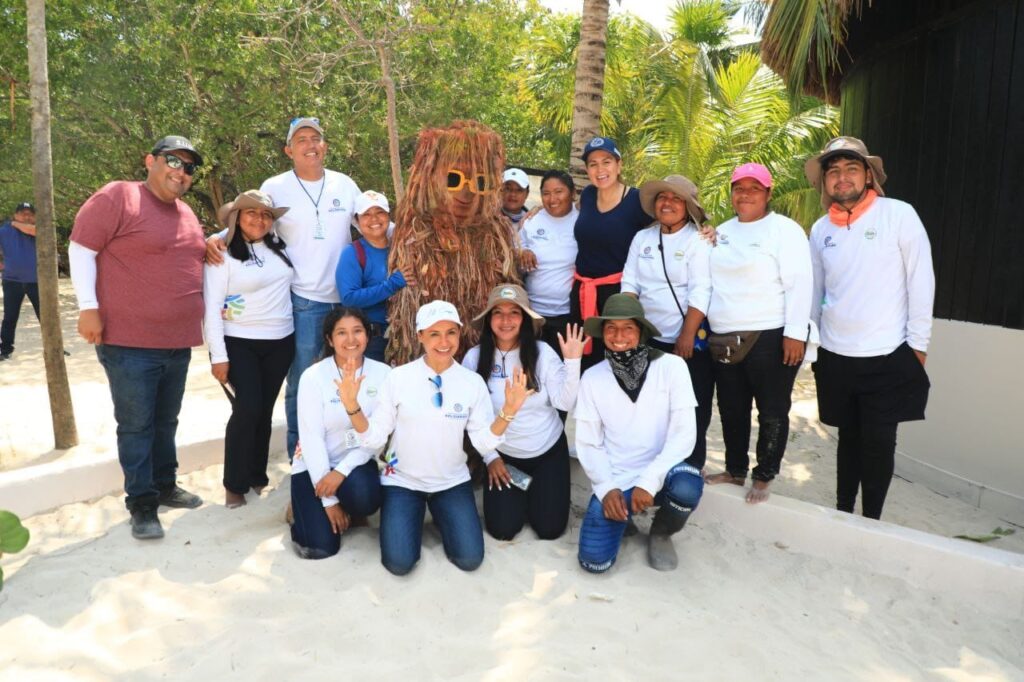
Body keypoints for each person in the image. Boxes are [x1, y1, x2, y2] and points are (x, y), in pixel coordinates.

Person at [69, 135, 206, 540]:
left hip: (177, 342)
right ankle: (142, 504)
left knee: (165, 422)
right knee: (136, 426)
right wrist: (87, 306)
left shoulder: (186, 213)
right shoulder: (118, 197)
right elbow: (80, 249)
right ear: (150, 161)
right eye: (172, 161)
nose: (180, 172)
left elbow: (188, 256)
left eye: (188, 167)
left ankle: (164, 485)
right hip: (129, 343)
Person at [337, 300, 532, 575]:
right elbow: (374, 438)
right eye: (434, 334)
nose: (444, 341)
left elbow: (483, 443)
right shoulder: (398, 378)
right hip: (403, 481)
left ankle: (443, 514)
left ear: (459, 334)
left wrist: (508, 413)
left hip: (451, 482)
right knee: (399, 563)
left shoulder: (471, 382)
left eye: (451, 332)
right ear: (420, 336)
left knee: (469, 559)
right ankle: (416, 515)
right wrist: (352, 406)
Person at [207, 117, 361, 459]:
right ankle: (301, 458)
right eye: (301, 139)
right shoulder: (276, 185)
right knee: (302, 386)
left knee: (346, 381)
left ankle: (343, 454)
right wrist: (215, 239)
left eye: (316, 138)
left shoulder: (345, 184)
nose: (310, 144)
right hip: (304, 301)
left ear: (325, 146)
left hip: (346, 302)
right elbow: (249, 220)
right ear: (288, 149)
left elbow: (372, 221)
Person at [804, 137, 934, 520]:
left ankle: (871, 519)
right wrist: (815, 343)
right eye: (833, 171)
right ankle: (844, 512)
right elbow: (816, 291)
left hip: (889, 354)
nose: (841, 178)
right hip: (836, 354)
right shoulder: (819, 229)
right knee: (848, 440)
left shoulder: (899, 215)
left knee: (879, 443)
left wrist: (918, 346)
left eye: (851, 169)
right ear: (825, 182)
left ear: (869, 175)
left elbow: (921, 281)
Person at [704, 163, 813, 504]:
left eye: (755, 188)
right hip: (724, 338)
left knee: (772, 409)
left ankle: (764, 476)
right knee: (732, 408)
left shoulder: (785, 230)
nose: (746, 193)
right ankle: (735, 471)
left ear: (768, 193)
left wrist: (795, 332)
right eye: (739, 187)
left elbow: (800, 283)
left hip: (770, 334)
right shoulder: (720, 232)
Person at [574, 294, 702, 572]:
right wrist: (607, 489)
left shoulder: (672, 367)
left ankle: (661, 532)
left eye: (628, 328)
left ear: (641, 332)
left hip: (663, 470)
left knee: (687, 487)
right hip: (617, 476)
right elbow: (588, 444)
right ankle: (623, 517)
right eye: (611, 328)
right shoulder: (592, 378)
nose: (619, 336)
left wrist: (648, 480)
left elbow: (684, 434)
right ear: (602, 334)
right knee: (594, 563)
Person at [461, 284, 585, 541]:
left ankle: (540, 491)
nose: (506, 320)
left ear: (525, 318)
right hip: (505, 458)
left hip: (547, 451)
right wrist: (490, 458)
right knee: (503, 529)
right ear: (488, 320)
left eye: (514, 312)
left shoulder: (543, 353)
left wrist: (573, 362)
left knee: (549, 529)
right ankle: (525, 493)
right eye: (498, 312)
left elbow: (564, 404)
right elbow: (473, 420)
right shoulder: (474, 358)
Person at [203, 190, 295, 509]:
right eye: (251, 213)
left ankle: (257, 475)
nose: (259, 219)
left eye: (266, 214)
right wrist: (219, 356)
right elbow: (212, 306)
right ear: (237, 217)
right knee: (247, 408)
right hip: (239, 340)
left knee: (265, 410)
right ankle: (234, 483)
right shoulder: (222, 253)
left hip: (282, 340)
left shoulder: (279, 246)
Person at [623, 174, 713, 471]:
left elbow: (701, 289)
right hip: (647, 337)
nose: (668, 203)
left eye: (676, 198)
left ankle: (690, 466)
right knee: (650, 404)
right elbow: (630, 282)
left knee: (691, 404)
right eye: (663, 197)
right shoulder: (642, 238)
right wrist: (631, 329)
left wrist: (686, 336)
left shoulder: (698, 241)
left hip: (685, 339)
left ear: (688, 207)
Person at [290, 307, 388, 559]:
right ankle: (300, 508)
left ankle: (350, 505)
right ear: (329, 339)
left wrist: (341, 471)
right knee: (320, 549)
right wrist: (329, 501)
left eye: (358, 331)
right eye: (341, 333)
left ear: (368, 335)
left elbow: (377, 436)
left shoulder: (384, 375)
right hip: (314, 466)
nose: (351, 339)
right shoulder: (313, 377)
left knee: (367, 497)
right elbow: (311, 439)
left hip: (355, 463)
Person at [570, 137, 654, 370]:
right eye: (593, 164)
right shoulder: (587, 195)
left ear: (619, 165)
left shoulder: (637, 200)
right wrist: (535, 210)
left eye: (606, 162)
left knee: (616, 360)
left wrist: (704, 228)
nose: (600, 169)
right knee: (581, 360)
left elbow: (672, 219)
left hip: (619, 295)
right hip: (583, 292)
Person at [336, 190, 414, 363]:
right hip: (372, 340)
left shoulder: (402, 249)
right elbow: (349, 298)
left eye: (380, 212)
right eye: (366, 214)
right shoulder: (353, 253)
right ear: (357, 220)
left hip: (407, 337)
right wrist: (391, 285)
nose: (374, 219)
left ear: (388, 215)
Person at [517, 170, 579, 355]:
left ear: (572, 193)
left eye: (559, 191)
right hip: (533, 313)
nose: (552, 198)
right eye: (546, 193)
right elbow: (516, 252)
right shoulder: (532, 221)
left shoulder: (582, 221)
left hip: (568, 314)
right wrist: (522, 252)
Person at [0, 202, 39, 360]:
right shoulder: (4, 231)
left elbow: (33, 230)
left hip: (37, 281)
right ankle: (5, 349)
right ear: (15, 214)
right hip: (12, 280)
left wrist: (16, 223)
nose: (27, 216)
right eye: (23, 213)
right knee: (10, 316)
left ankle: (56, 348)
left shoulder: (40, 228)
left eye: (30, 213)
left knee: (46, 315)